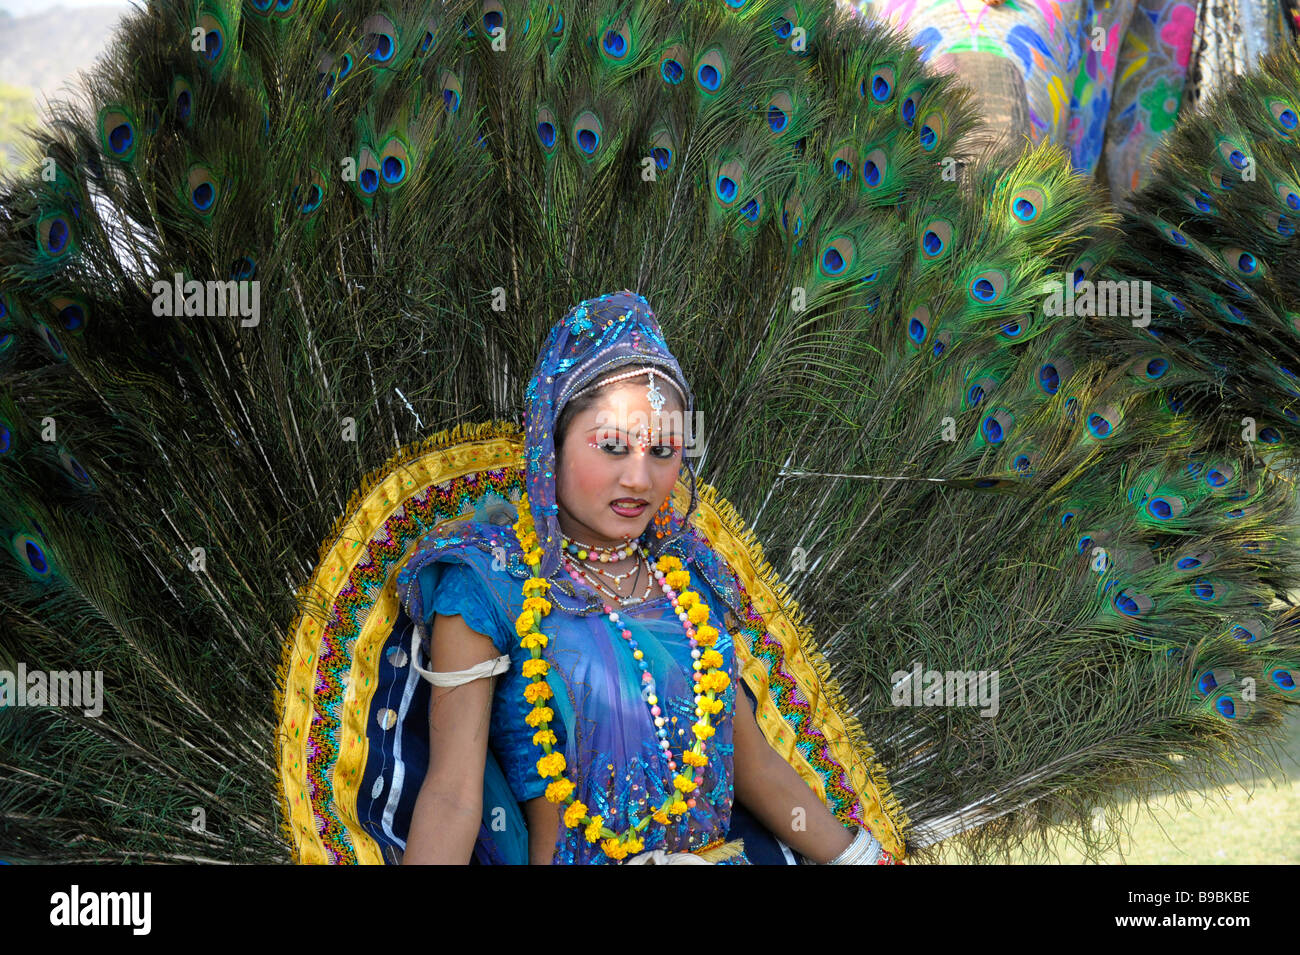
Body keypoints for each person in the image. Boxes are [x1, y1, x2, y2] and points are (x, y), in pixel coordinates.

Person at [395, 290, 889, 865]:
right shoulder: (491, 584)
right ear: (550, 440)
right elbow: (454, 796)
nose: (639, 477)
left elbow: (749, 762)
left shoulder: (690, 580)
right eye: (611, 446)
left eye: (662, 450)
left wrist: (865, 859)